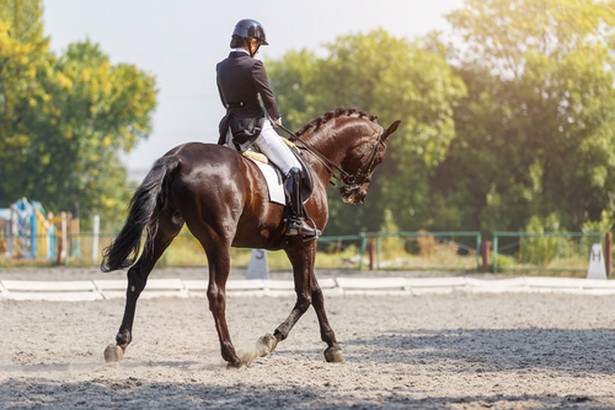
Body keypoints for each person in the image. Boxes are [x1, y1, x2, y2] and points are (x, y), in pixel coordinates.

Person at [216, 19, 318, 238]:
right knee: (294, 169)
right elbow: (267, 95)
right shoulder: (254, 66)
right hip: (256, 128)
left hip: (232, 131)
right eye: (258, 44)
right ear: (251, 42)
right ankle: (295, 221)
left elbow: (225, 99)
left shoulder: (221, 67)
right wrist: (276, 117)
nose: (258, 48)